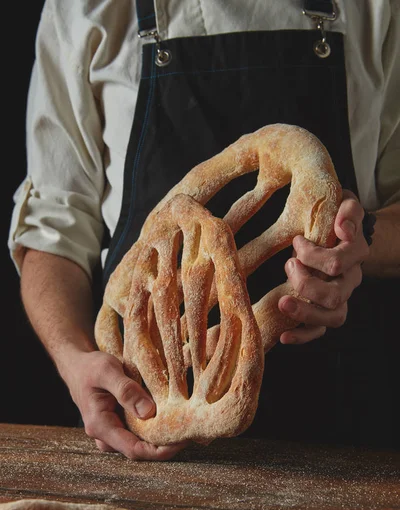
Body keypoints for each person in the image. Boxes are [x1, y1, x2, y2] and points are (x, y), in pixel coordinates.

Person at [9, 0, 400, 459]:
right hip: (141, 424)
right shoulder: (85, 10)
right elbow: (53, 231)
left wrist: (358, 240)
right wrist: (75, 360)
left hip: (344, 439)